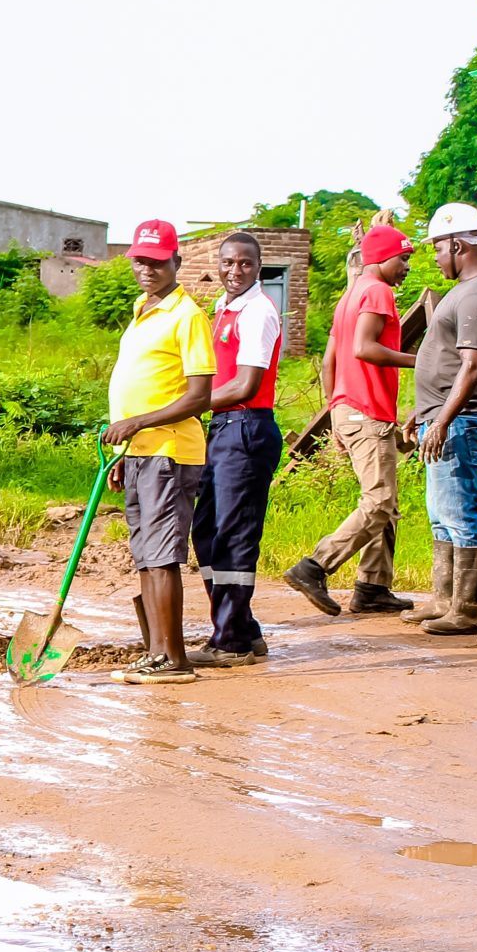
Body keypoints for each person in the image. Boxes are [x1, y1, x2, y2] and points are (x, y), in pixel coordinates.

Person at [103, 220, 216, 684]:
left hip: (169, 452)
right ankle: (156, 653)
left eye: (156, 262)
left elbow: (199, 396)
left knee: (163, 555)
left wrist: (137, 423)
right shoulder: (142, 309)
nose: (146, 269)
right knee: (146, 555)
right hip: (140, 452)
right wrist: (125, 447)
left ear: (177, 262)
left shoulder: (187, 315)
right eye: (140, 261)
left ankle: (174, 659)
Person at [284, 225, 416, 616]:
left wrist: (336, 412)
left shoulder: (351, 295)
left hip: (349, 407)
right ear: (382, 258)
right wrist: (421, 360)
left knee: (385, 500)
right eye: (403, 258)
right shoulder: (377, 291)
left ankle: (373, 587)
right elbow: (363, 348)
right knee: (379, 501)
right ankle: (315, 566)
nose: (407, 266)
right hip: (367, 408)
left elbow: (330, 361)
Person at [407, 203, 477, 636]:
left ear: (458, 245)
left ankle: (469, 608)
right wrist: (424, 410)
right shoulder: (465, 290)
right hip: (443, 418)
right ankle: (445, 600)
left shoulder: (476, 294)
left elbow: (472, 365)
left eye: (437, 249)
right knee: (441, 512)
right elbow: (448, 362)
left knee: (461, 511)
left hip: (460, 423)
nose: (435, 257)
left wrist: (443, 420)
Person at [190, 231, 283, 666]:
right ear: (219, 264)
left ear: (258, 268)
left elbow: (246, 384)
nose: (235, 270)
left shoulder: (259, 311)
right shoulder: (224, 308)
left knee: (233, 535)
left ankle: (231, 644)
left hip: (246, 427)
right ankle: (242, 629)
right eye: (228, 262)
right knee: (206, 531)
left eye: (245, 263)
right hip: (223, 428)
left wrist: (188, 406)